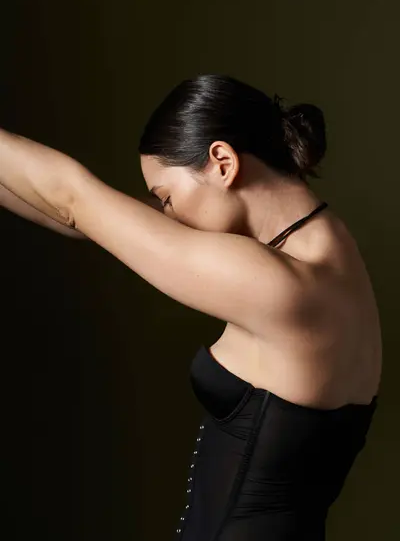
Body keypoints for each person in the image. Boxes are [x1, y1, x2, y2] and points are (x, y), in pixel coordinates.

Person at [0, 74, 381, 540]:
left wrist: (79, 207)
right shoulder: (330, 256)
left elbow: (73, 200)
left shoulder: (282, 286)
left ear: (222, 162)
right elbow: (83, 219)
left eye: (166, 198)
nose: (168, 219)